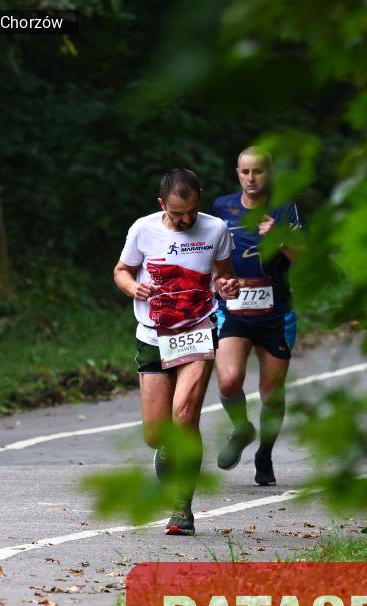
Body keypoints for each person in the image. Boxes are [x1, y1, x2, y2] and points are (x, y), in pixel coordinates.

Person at [114, 169, 239, 536]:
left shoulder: (216, 229)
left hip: (198, 330)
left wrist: (227, 286)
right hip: (153, 336)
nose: (186, 220)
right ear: (162, 204)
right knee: (156, 435)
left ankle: (182, 508)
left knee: (185, 416)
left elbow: (223, 275)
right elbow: (121, 270)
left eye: (192, 211)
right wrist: (133, 287)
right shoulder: (143, 229)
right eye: (177, 213)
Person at [209, 147, 305, 486]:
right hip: (233, 310)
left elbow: (305, 258)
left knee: (271, 392)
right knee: (228, 381)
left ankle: (264, 454)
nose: (251, 178)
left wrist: (280, 239)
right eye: (245, 172)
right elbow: (210, 256)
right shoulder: (222, 208)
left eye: (258, 171)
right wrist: (219, 282)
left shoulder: (285, 208)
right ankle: (242, 428)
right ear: (237, 174)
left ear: (270, 173)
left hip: (275, 314)